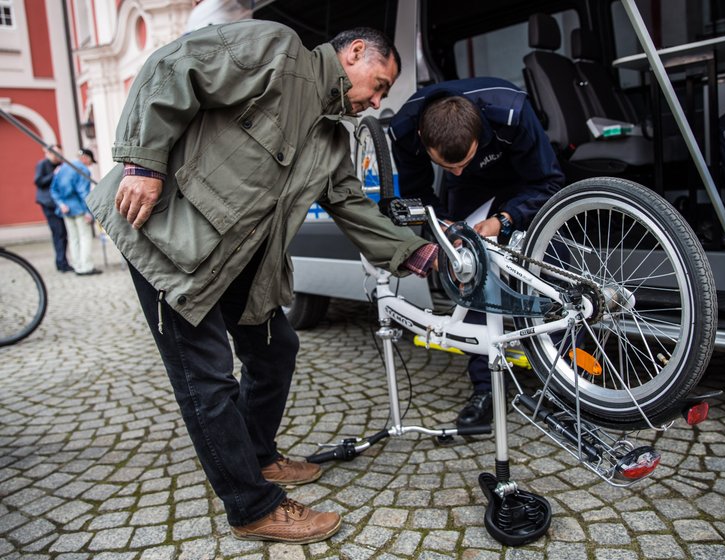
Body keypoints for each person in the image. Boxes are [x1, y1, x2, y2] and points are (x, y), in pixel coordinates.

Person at [86, 21, 436, 544]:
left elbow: (352, 207)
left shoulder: (332, 139)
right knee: (207, 377)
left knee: (275, 350)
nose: (376, 100)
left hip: (240, 262)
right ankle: (251, 506)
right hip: (167, 240)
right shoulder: (276, 50)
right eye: (379, 85)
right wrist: (142, 163)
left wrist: (417, 254)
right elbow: (172, 67)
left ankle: (258, 455)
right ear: (355, 53)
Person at [390, 77, 565, 428]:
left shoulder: (511, 112)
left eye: (463, 160)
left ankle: (564, 382)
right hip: (470, 191)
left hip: (524, 179)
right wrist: (445, 226)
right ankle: (485, 388)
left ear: (478, 134)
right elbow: (418, 196)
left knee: (552, 270)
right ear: (424, 141)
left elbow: (549, 182)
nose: (454, 169)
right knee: (471, 273)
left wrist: (505, 219)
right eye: (446, 166)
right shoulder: (405, 131)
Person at [50, 148, 101, 276]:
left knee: (73, 238)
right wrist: (88, 212)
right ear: (85, 158)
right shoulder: (82, 170)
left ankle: (77, 265)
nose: (90, 165)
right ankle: (86, 267)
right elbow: (83, 192)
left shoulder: (62, 168)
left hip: (66, 209)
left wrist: (61, 204)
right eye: (90, 161)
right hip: (80, 209)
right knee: (85, 237)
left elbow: (53, 189)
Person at [34, 145, 72, 272]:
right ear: (49, 154)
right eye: (57, 155)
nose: (59, 157)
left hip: (58, 203)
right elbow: (39, 181)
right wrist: (53, 174)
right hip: (48, 203)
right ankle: (62, 263)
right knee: (59, 233)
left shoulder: (59, 165)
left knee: (62, 234)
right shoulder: (43, 164)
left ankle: (61, 262)